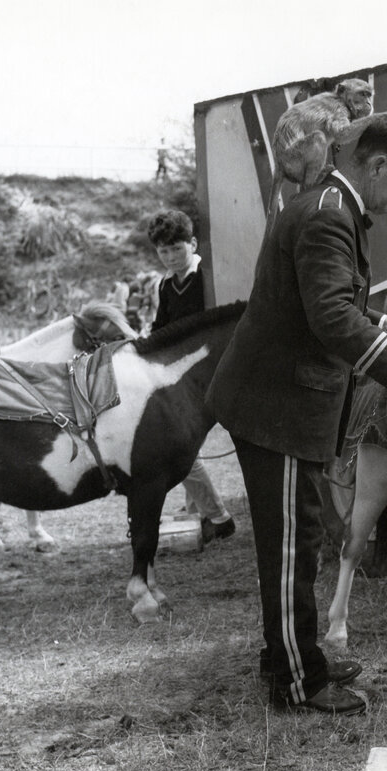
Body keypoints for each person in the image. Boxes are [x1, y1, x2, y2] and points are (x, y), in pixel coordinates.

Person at [208, 113, 387, 715]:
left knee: (291, 540)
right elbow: (330, 320)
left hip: (274, 399)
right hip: (279, 406)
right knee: (295, 543)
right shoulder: (328, 215)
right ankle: (299, 679)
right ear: (375, 166)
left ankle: (288, 657)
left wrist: (382, 322)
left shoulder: (327, 205)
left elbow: (330, 304)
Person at [146, 209, 235, 543]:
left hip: (216, 368)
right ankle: (203, 510)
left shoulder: (208, 276)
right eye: (164, 251)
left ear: (193, 243)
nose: (170, 257)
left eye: (177, 249)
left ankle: (215, 514)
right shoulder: (167, 284)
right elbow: (162, 329)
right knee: (184, 441)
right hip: (186, 374)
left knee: (182, 445)